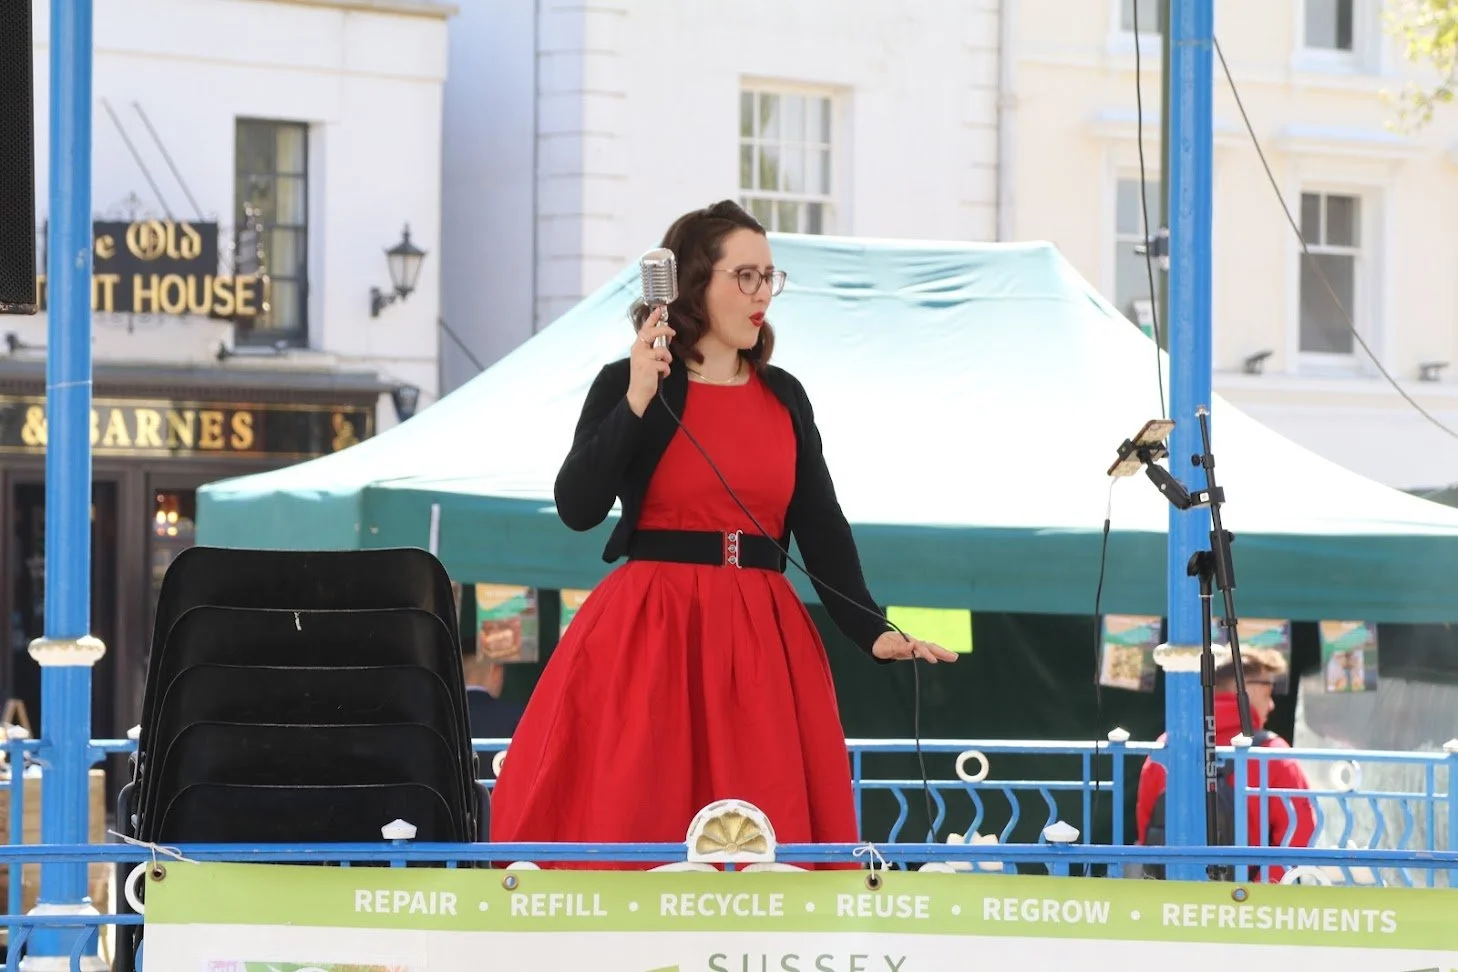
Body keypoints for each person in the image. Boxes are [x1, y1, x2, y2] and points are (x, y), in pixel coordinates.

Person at [487, 200, 957, 867]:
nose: (763, 292)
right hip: (650, 631)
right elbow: (578, 505)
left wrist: (874, 630)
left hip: (761, 637)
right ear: (694, 286)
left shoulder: (784, 395)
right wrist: (637, 400)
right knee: (637, 806)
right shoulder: (629, 383)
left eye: (770, 276)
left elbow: (821, 524)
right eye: (745, 276)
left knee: (762, 822)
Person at [1136, 646, 1316, 881]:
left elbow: (1146, 825)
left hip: (1173, 899)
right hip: (1246, 903)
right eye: (1269, 690)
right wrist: (1258, 895)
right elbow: (1300, 835)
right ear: (1245, 687)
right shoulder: (1273, 754)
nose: (1272, 704)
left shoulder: (1166, 747)